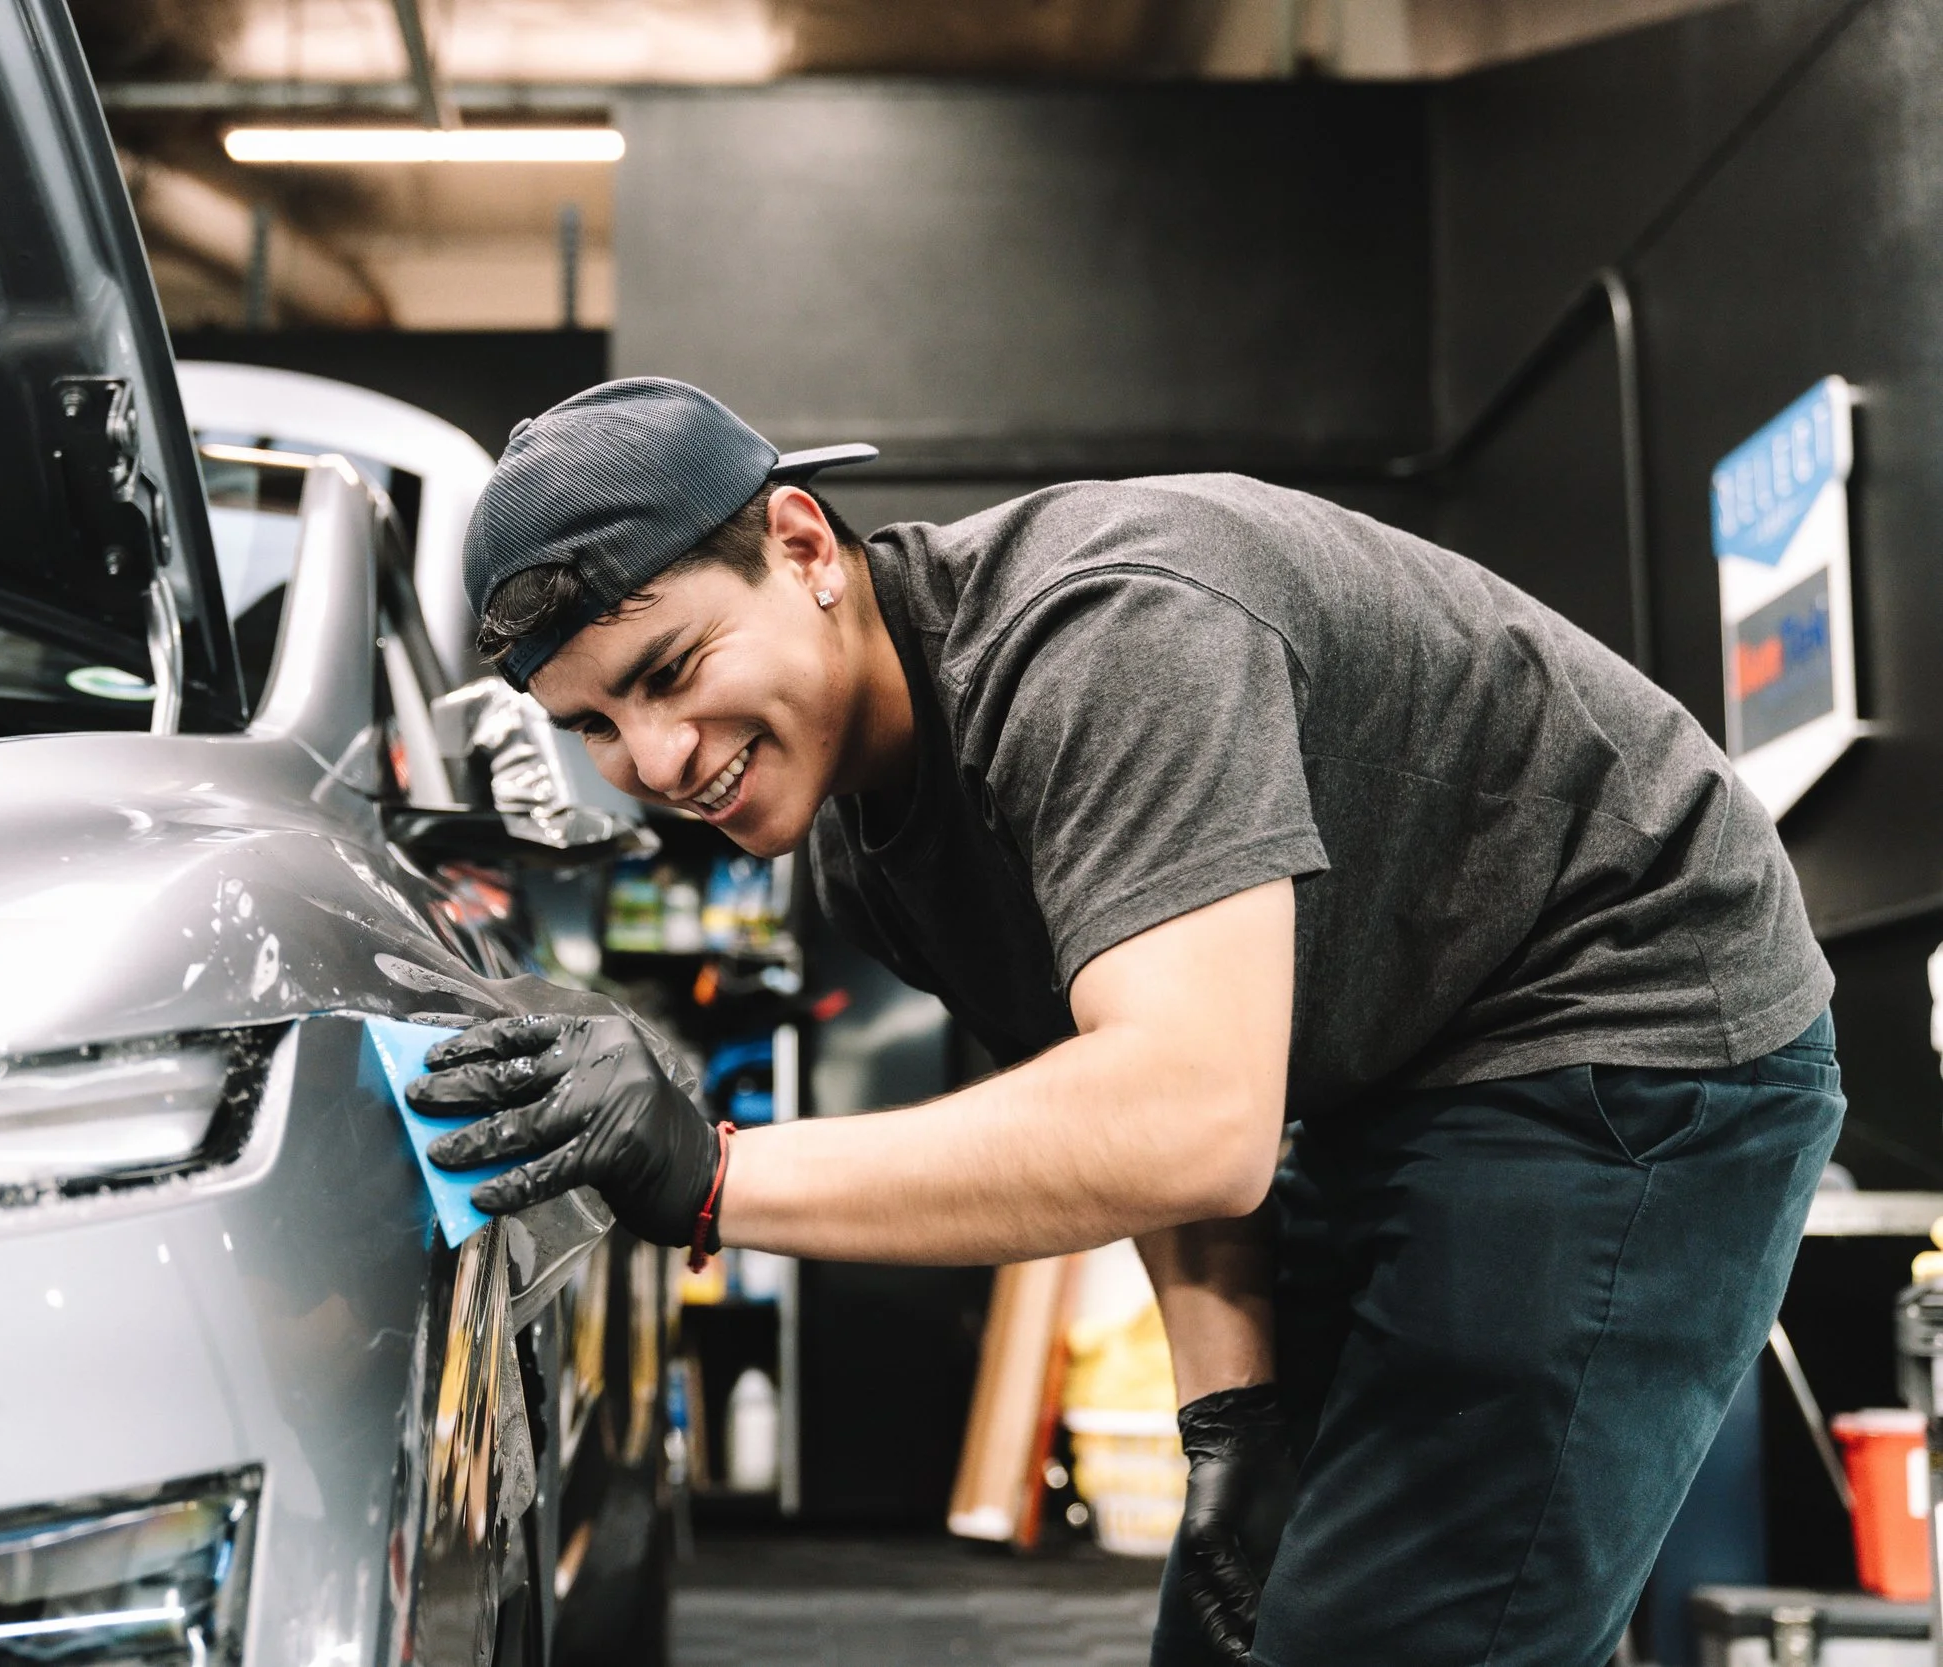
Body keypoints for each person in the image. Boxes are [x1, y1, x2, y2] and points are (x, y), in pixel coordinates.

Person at [405, 378, 1844, 1666]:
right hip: (1400, 1067)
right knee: (1249, 1621)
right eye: (592, 723)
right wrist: (1233, 1423)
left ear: (800, 547)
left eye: (670, 670)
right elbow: (1120, 1120)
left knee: (1393, 1631)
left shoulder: (1103, 638)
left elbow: (1186, 1122)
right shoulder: (871, 855)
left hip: (1633, 1015)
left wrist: (710, 1173)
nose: (655, 759)